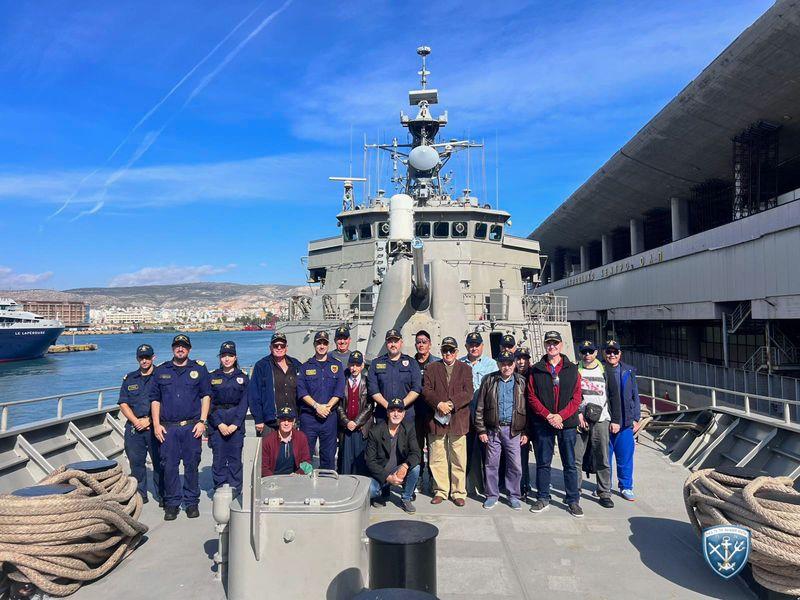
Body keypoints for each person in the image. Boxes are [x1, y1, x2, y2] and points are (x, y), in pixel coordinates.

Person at [150, 334, 211, 521]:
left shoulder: (199, 369)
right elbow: (155, 399)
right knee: (169, 467)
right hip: (168, 428)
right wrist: (156, 425)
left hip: (192, 427)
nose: (180, 348)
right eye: (177, 346)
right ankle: (172, 504)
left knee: (191, 465)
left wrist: (202, 421)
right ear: (172, 349)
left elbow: (206, 396)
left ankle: (191, 503)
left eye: (184, 346)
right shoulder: (161, 370)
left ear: (189, 349)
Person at [527, 331, 583, 518]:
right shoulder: (536, 369)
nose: (552, 346)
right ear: (545, 345)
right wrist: (548, 415)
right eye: (549, 343)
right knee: (543, 462)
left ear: (561, 345)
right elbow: (532, 396)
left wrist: (560, 416)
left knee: (570, 463)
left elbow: (576, 397)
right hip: (544, 423)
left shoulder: (572, 369)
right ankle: (543, 497)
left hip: (567, 423)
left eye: (555, 343)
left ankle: (573, 500)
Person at [423, 336, 474, 507]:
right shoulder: (431, 368)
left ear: (457, 352)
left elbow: (468, 392)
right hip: (437, 419)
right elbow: (426, 390)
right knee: (437, 457)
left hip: (458, 419)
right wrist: (438, 404)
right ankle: (440, 490)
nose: (448, 353)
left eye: (451, 350)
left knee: (458, 458)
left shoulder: (465, 369)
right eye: (445, 350)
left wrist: (451, 404)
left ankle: (458, 492)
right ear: (441, 351)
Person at [475, 350, 528, 510]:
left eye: (509, 363)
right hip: (493, 430)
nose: (506, 367)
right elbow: (480, 407)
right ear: (498, 364)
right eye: (503, 364)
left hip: (514, 431)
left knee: (515, 465)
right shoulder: (489, 380)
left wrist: (526, 432)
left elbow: (528, 409)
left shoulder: (521, 381)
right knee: (491, 464)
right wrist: (481, 430)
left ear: (514, 364)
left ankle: (513, 496)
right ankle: (492, 495)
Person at [574, 340, 621, 509]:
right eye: (584, 352)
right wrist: (578, 414)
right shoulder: (575, 370)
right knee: (576, 458)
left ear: (596, 353)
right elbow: (571, 395)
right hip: (581, 419)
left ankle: (604, 493)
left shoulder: (605, 371)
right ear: (580, 353)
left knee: (602, 457)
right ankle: (575, 491)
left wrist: (616, 420)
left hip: (602, 419)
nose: (587, 355)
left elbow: (614, 396)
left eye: (590, 352)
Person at [118, 343, 165, 505]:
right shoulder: (130, 378)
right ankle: (140, 494)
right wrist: (136, 421)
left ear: (153, 358)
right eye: (141, 358)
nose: (144, 361)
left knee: (160, 462)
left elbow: (166, 402)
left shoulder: (162, 377)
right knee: (136, 463)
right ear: (137, 359)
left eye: (147, 357)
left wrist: (150, 420)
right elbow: (123, 403)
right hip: (134, 427)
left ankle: (162, 494)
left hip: (155, 426)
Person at [296, 331, 345, 470]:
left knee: (328, 456)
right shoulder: (305, 367)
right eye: (319, 343)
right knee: (305, 455)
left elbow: (339, 390)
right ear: (314, 345)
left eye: (324, 343)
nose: (321, 346)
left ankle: (327, 481)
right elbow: (302, 391)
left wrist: (327, 407)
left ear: (328, 345)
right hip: (309, 418)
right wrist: (317, 406)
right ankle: (304, 480)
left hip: (329, 417)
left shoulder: (337, 366)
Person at [364, 397, 421, 513]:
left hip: (398, 469)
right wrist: (388, 477)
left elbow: (416, 453)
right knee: (371, 490)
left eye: (399, 411)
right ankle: (382, 492)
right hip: (380, 472)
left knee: (416, 468)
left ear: (404, 414)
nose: (396, 414)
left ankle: (406, 498)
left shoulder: (409, 428)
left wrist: (405, 466)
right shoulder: (375, 432)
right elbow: (370, 462)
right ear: (387, 413)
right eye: (392, 411)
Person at [208, 341, 249, 496]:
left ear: (235, 357)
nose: (227, 359)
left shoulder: (243, 377)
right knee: (218, 457)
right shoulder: (212, 377)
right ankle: (219, 487)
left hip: (235, 422)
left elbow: (245, 402)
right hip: (217, 422)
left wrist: (235, 424)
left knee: (235, 458)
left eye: (230, 356)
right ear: (220, 358)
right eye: (224, 356)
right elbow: (208, 402)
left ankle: (235, 489)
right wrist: (219, 423)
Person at [460, 331, 497, 495]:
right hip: (465, 413)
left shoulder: (492, 365)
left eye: (477, 345)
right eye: (471, 345)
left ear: (482, 346)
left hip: (484, 413)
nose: (474, 348)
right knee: (465, 451)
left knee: (487, 452)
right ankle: (466, 486)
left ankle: (490, 488)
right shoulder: (460, 363)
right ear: (466, 346)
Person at [603, 340, 641, 501]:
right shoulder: (600, 371)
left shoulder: (628, 371)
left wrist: (636, 418)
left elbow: (635, 395)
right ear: (604, 353)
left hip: (626, 422)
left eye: (615, 352)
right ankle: (605, 487)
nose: (612, 355)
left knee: (625, 457)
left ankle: (626, 486)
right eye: (609, 352)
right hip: (605, 421)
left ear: (620, 354)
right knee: (605, 459)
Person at [247, 333, 303, 436]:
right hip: (270, 422)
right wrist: (258, 419)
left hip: (291, 421)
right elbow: (254, 395)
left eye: (282, 345)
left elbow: (303, 391)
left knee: (291, 447)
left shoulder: (296, 364)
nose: (279, 348)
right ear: (270, 347)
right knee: (269, 447)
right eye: (276, 345)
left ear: (286, 348)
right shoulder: (261, 366)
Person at [367, 329, 422, 423]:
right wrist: (389, 406)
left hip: (406, 414)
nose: (393, 344)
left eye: (396, 341)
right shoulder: (376, 363)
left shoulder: (412, 363)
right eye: (390, 341)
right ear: (386, 344)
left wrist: (401, 405)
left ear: (401, 343)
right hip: (383, 415)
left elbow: (416, 388)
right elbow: (373, 389)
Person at [336, 351, 373, 475]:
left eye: (357, 365)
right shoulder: (342, 381)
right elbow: (338, 404)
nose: (354, 368)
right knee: (345, 463)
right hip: (346, 428)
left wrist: (357, 422)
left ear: (362, 366)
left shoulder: (367, 382)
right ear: (348, 365)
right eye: (352, 365)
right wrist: (346, 422)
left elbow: (369, 405)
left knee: (360, 462)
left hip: (361, 428)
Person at [413, 330, 440, 490]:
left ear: (430, 344)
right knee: (416, 447)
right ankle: (417, 479)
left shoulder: (436, 363)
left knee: (433, 448)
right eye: (418, 342)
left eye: (424, 342)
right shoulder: (410, 363)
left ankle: (432, 478)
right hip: (415, 412)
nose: (421, 345)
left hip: (432, 412)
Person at [261, 406, 312, 476]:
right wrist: (274, 479)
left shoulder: (301, 437)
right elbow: (263, 467)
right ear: (278, 421)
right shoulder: (268, 440)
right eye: (283, 420)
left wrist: (298, 474)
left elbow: (306, 461)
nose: (286, 423)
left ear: (293, 422)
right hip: (273, 478)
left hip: (295, 477)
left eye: (290, 420)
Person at [515, 347, 533, 500]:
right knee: (520, 457)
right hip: (520, 422)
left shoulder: (534, 374)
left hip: (535, 421)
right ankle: (522, 486)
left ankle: (539, 486)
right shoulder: (511, 375)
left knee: (541, 458)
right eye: (518, 358)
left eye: (524, 358)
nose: (521, 361)